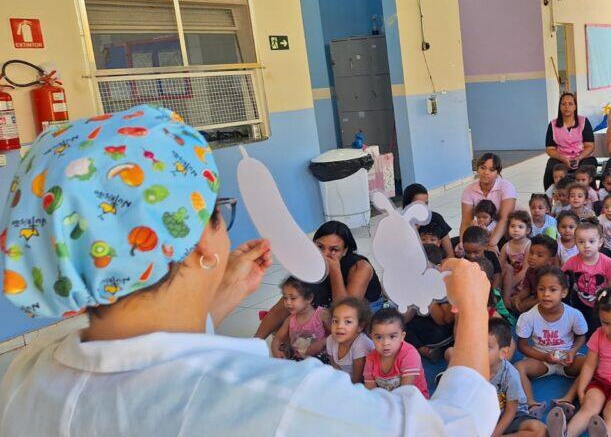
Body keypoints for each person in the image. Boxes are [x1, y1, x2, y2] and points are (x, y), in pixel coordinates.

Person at [0, 105, 498, 435]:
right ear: (200, 242)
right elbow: (455, 425)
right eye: (221, 211)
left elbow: (146, 362)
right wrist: (473, 309)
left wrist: (213, 300)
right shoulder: (276, 399)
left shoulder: (25, 377)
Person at [547, 286, 611, 437]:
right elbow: (589, 365)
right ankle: (565, 434)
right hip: (601, 382)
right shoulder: (598, 335)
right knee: (589, 408)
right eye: (606, 323)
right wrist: (581, 389)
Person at [256, 220, 383, 339]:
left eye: (334, 250)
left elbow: (346, 313)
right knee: (290, 314)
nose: (324, 254)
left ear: (345, 251)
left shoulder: (360, 267)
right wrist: (254, 343)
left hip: (362, 313)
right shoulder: (312, 264)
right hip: (330, 308)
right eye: (320, 247)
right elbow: (279, 310)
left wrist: (335, 272)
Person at [515, 267, 588, 414]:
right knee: (517, 368)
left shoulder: (574, 314)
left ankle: (567, 399)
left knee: (592, 363)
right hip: (541, 359)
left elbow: (581, 337)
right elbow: (522, 345)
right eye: (541, 289)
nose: (546, 294)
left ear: (564, 292)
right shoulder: (528, 316)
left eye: (553, 290)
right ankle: (531, 404)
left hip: (567, 359)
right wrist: (545, 357)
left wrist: (573, 351)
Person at [487, 318, 548, 437]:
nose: (480, 350)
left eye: (488, 347)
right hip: (483, 417)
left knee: (540, 430)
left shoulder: (510, 375)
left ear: (503, 353)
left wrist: (494, 434)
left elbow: (510, 412)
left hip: (510, 416)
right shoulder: (471, 369)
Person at [562, 221, 611, 332]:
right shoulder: (572, 261)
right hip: (578, 302)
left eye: (591, 241)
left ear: (600, 242)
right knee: (577, 328)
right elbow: (560, 277)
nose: (586, 246)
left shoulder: (608, 263)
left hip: (600, 304)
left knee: (595, 330)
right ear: (576, 243)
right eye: (581, 242)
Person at [364, 308, 430, 398]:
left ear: (402, 336)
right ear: (372, 337)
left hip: (414, 400)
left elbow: (405, 391)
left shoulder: (409, 354)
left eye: (392, 336)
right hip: (385, 401)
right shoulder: (371, 358)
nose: (385, 343)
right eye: (379, 337)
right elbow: (370, 390)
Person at [461, 152, 519, 249]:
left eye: (491, 170)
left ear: (497, 173)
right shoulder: (468, 190)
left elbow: (505, 219)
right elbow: (466, 221)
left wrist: (492, 243)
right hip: (482, 234)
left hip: (505, 233)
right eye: (482, 168)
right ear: (477, 169)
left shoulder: (506, 187)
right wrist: (462, 244)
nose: (486, 172)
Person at [545, 93, 599, 189]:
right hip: (561, 157)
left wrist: (578, 158)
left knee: (586, 170)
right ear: (560, 107)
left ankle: (589, 195)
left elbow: (590, 146)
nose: (567, 107)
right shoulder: (553, 124)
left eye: (570, 104)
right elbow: (550, 149)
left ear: (575, 107)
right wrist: (563, 159)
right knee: (551, 167)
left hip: (583, 157)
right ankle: (550, 196)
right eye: (563, 104)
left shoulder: (583, 121)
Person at [270, 277, 331, 362]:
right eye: (285, 298)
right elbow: (277, 338)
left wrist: (323, 342)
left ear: (309, 298)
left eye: (293, 298)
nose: (287, 302)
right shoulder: (290, 320)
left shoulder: (321, 314)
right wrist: (275, 350)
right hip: (299, 360)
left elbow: (336, 335)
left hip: (321, 360)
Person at [326, 297, 374, 382]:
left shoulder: (362, 345)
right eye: (335, 321)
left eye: (348, 321)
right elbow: (334, 367)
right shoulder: (330, 340)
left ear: (360, 326)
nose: (339, 326)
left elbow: (357, 379)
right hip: (341, 380)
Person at [510, 235, 559, 315]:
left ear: (550, 260)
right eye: (531, 253)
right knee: (513, 300)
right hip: (534, 298)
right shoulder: (530, 270)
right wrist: (519, 297)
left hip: (546, 301)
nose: (533, 257)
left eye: (539, 256)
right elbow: (527, 289)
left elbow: (546, 297)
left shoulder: (551, 276)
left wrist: (527, 305)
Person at [404, 183, 455, 258]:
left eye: (426, 204)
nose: (423, 208)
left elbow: (450, 255)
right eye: (419, 204)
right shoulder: (401, 224)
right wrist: (415, 228)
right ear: (407, 206)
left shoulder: (436, 218)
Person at [500, 211, 533, 299]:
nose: (516, 230)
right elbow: (499, 267)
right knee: (506, 267)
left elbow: (525, 270)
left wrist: (509, 286)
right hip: (510, 277)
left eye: (520, 227)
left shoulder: (528, 245)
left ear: (528, 230)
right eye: (512, 226)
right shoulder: (506, 246)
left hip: (524, 277)